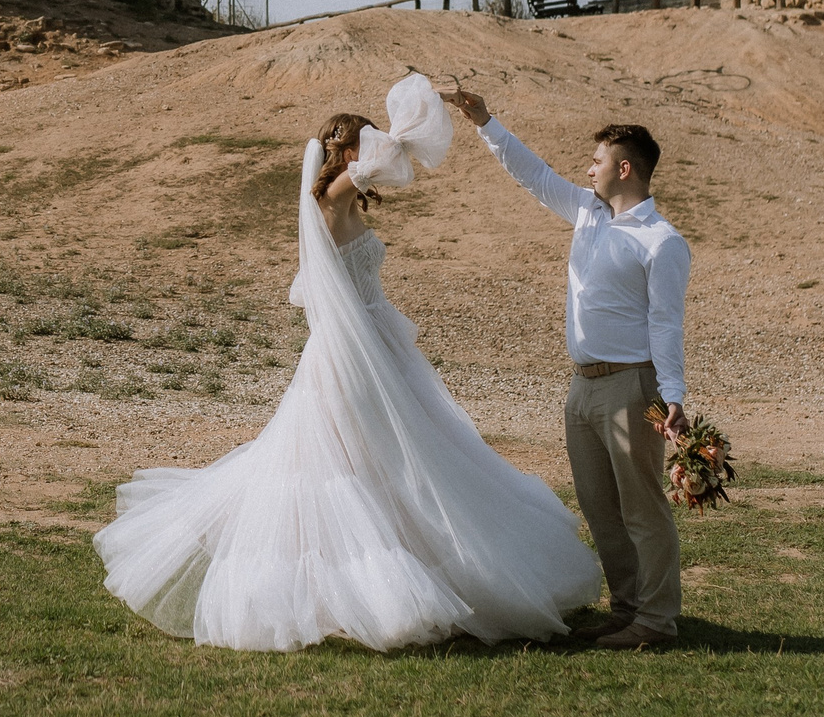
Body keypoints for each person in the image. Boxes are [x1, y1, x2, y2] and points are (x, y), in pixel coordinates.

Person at [92, 72, 604, 652]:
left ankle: (418, 572)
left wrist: (425, 116)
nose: (376, 147)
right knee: (349, 463)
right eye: (365, 140)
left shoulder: (345, 199)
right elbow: (382, 163)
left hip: (376, 340)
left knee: (397, 456)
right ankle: (359, 592)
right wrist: (416, 114)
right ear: (345, 151)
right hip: (347, 351)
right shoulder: (330, 196)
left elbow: (388, 170)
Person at [441, 84, 691, 651]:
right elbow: (533, 174)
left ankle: (656, 621)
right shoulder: (586, 212)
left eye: (597, 159)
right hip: (582, 389)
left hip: (634, 387)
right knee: (601, 509)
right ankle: (627, 610)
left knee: (642, 510)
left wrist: (672, 397)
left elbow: (666, 325)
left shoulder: (662, 242)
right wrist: (485, 122)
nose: (588, 168)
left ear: (624, 168)